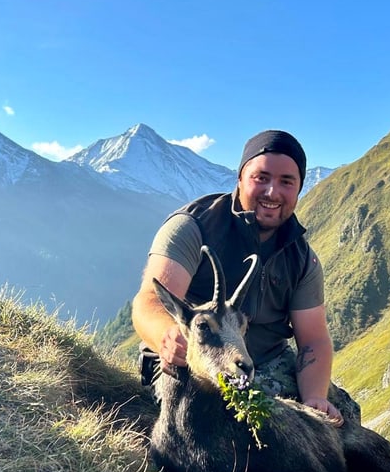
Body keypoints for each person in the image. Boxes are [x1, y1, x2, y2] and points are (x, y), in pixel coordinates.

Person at [131, 129, 359, 427]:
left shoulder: (302, 258)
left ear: (299, 188)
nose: (272, 193)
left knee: (345, 417)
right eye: (261, 178)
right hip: (194, 360)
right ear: (240, 178)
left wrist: (314, 397)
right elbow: (149, 300)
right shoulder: (193, 227)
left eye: (286, 182)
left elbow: (313, 339)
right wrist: (167, 336)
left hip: (263, 361)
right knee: (228, 425)